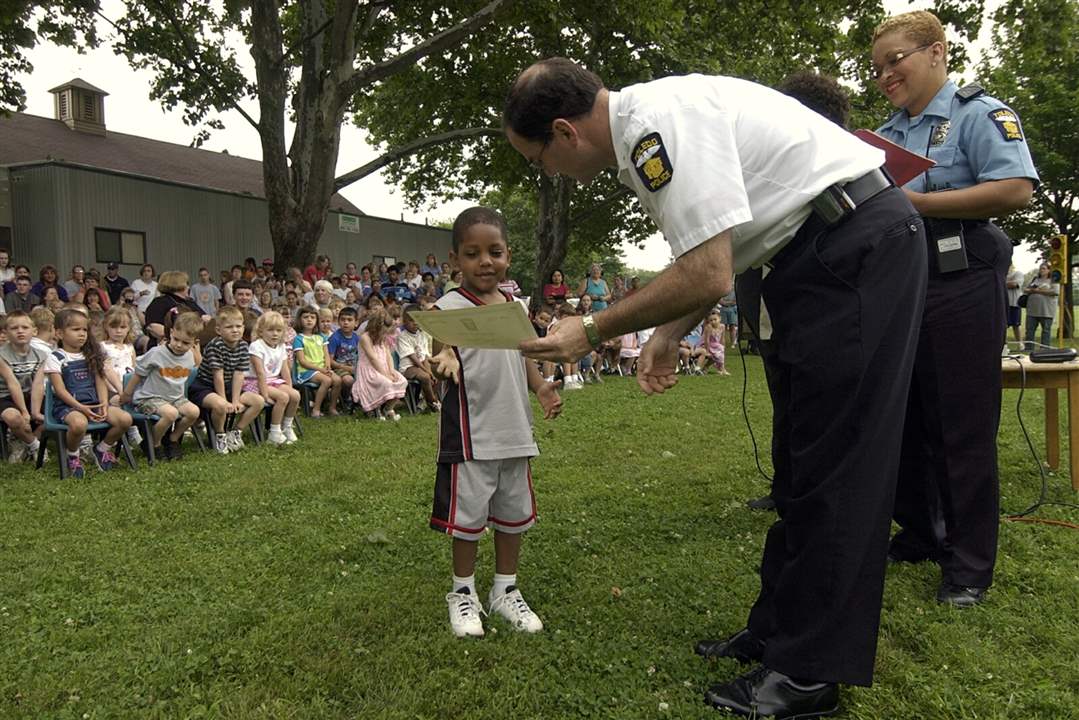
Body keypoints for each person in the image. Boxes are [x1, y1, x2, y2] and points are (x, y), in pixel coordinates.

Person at [505, 57, 927, 715]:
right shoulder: (648, 129)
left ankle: (809, 674)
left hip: (852, 248)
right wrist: (668, 334)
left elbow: (706, 272)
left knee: (837, 467)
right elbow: (719, 253)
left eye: (540, 159)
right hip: (816, 253)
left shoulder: (657, 127)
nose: (550, 173)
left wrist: (589, 329)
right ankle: (778, 630)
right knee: (800, 464)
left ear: (564, 131)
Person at [872, 10, 1038, 609]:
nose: (886, 75)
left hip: (961, 276)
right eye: (877, 68)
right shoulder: (883, 135)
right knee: (905, 418)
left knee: (960, 425)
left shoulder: (977, 114)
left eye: (896, 60)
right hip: (901, 282)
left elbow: (1016, 188)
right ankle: (923, 531)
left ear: (937, 51)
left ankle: (968, 565)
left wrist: (918, 203)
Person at [425, 206, 562, 639]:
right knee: (468, 519)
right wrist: (445, 357)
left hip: (514, 430)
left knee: (512, 514)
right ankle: (462, 592)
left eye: (495, 252)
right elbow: (439, 351)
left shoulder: (513, 307)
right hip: (471, 435)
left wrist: (540, 387)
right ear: (455, 259)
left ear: (508, 255)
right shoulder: (447, 308)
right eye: (472, 254)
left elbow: (523, 356)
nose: (485, 262)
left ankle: (505, 589)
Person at [45, 308, 134, 477]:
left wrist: (104, 404)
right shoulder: (56, 357)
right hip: (68, 407)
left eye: (84, 330)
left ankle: (102, 449)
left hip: (94, 403)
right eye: (75, 329)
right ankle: (73, 455)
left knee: (125, 419)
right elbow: (60, 390)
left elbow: (100, 382)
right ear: (60, 333)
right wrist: (80, 407)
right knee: (79, 424)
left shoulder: (91, 354)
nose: (81, 334)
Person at [119, 312, 204, 460]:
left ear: (194, 343)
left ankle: (172, 440)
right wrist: (127, 394)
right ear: (171, 332)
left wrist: (196, 352)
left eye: (185, 343)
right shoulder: (157, 353)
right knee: (171, 414)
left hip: (175, 398)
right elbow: (138, 374)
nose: (179, 345)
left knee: (194, 412)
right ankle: (154, 443)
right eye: (176, 339)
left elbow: (196, 365)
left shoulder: (189, 356)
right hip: (150, 397)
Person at [188, 305, 265, 454]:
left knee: (258, 401)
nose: (235, 330)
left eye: (238, 326)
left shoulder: (243, 345)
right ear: (219, 330)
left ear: (243, 328)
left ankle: (236, 432)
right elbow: (218, 376)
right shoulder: (215, 345)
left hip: (229, 386)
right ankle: (220, 435)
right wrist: (225, 400)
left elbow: (239, 374)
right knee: (221, 406)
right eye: (229, 327)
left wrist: (235, 401)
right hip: (205, 387)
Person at [245, 311, 300, 446]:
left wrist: (290, 388)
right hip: (255, 382)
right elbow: (260, 373)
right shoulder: (256, 346)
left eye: (278, 330)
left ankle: (287, 426)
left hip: (273, 380)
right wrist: (264, 395)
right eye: (270, 330)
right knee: (283, 397)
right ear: (261, 331)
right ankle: (274, 432)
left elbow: (285, 370)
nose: (275, 334)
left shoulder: (281, 346)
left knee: (295, 395)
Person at [0, 311, 48, 463]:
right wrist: (25, 412)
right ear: (6, 333)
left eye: (25, 327)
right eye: (14, 328)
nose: (20, 331)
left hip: (31, 395)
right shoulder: (1, 355)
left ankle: (24, 441)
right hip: (6, 396)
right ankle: (35, 445)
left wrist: (35, 412)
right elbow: (12, 383)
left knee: (56, 414)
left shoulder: (42, 355)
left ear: (34, 331)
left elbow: (38, 385)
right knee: (13, 417)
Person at [351, 306, 407, 421]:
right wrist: (386, 375)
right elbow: (373, 359)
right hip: (370, 370)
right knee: (385, 382)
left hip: (384, 368)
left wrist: (391, 370)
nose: (385, 333)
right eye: (383, 331)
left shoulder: (383, 337)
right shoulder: (365, 338)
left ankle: (388, 408)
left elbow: (388, 355)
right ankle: (375, 409)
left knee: (402, 381)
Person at [292, 306, 340, 417]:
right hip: (306, 371)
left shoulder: (321, 337)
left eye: (312, 317)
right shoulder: (298, 339)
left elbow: (326, 355)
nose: (309, 320)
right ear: (299, 319)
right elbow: (302, 361)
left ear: (316, 320)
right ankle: (316, 409)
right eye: (306, 317)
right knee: (327, 381)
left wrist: (327, 367)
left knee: (337, 380)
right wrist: (321, 370)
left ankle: (332, 407)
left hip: (322, 369)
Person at [143, 271, 206, 348]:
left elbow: (205, 317)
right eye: (186, 284)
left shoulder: (189, 302)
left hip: (192, 345)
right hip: (166, 347)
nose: (188, 287)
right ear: (178, 285)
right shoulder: (159, 302)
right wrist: (180, 336)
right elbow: (153, 327)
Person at [397, 304, 440, 412]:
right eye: (411, 320)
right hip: (408, 368)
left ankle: (425, 402)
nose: (415, 323)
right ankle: (433, 403)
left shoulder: (422, 335)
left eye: (417, 320)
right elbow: (413, 358)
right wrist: (427, 372)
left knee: (436, 374)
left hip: (421, 366)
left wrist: (430, 371)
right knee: (425, 377)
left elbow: (425, 356)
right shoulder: (402, 336)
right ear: (404, 321)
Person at [1024, 263, 1058, 350]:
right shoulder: (1035, 279)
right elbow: (1025, 289)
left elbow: (1055, 292)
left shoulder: (1053, 280)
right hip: (1032, 310)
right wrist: (1032, 290)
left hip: (1046, 311)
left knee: (1046, 331)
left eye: (1044, 268)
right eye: (1040, 268)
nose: (1041, 270)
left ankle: (1044, 349)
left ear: (1049, 270)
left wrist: (1038, 291)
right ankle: (1029, 348)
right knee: (1029, 330)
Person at [327, 306, 359, 399]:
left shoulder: (357, 338)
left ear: (356, 323)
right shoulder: (334, 338)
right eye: (343, 319)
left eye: (349, 320)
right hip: (338, 368)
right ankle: (345, 399)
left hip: (354, 367)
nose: (346, 322)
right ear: (338, 322)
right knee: (348, 380)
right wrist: (345, 368)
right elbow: (329, 361)